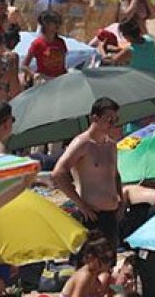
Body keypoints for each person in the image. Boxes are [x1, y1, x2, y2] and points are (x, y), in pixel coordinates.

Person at [52, 100, 123, 247]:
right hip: (91, 216)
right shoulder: (82, 143)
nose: (113, 124)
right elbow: (58, 173)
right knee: (91, 265)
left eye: (116, 120)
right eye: (109, 119)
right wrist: (81, 205)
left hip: (111, 215)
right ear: (95, 118)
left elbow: (115, 175)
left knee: (109, 265)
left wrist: (121, 200)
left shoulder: (111, 145)